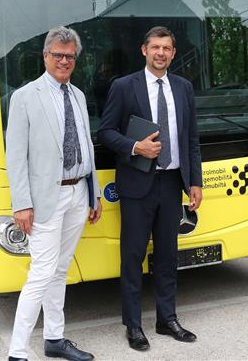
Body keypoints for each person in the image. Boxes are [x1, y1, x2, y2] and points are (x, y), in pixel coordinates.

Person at [98, 26, 203, 351]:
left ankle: (166, 319)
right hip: (136, 183)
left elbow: (191, 139)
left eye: (167, 48)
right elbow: (105, 132)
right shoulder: (124, 86)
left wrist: (195, 181)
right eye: (155, 47)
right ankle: (133, 325)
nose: (161, 53)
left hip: (172, 183)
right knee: (132, 257)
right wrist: (135, 147)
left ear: (172, 53)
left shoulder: (183, 87)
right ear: (144, 50)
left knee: (169, 256)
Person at [6, 26, 103, 361]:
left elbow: (87, 146)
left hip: (78, 193)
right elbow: (15, 156)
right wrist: (21, 204)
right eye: (58, 55)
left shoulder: (76, 95)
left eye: (70, 56)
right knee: (42, 272)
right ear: (45, 56)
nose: (64, 61)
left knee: (60, 269)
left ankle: (54, 339)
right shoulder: (25, 97)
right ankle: (17, 351)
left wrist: (95, 194)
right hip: (45, 199)